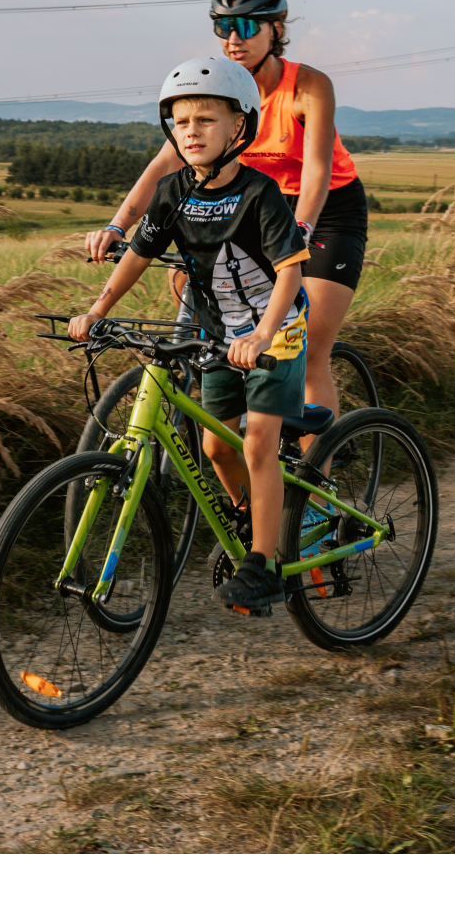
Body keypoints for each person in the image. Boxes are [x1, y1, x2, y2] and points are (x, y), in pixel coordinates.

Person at [70, 55, 310, 616]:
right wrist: (97, 308)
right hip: (216, 334)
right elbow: (137, 255)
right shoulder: (174, 190)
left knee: (256, 444)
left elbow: (289, 272)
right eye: (180, 122)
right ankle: (253, 517)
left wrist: (263, 335)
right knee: (212, 447)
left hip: (276, 334)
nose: (191, 131)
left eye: (205, 120)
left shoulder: (260, 193)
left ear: (238, 127)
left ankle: (263, 564)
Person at [85, 0, 366, 422]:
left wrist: (304, 229)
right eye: (223, 26)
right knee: (207, 313)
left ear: (277, 28)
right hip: (249, 207)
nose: (234, 39)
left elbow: (317, 169)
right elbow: (165, 164)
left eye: (249, 26)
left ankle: (314, 479)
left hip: (325, 209)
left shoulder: (307, 86)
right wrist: (118, 225)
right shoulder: (221, 87)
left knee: (307, 343)